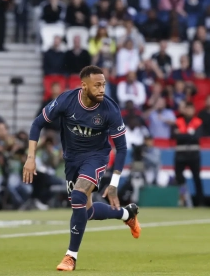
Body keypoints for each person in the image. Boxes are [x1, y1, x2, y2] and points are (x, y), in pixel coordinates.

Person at [23, 66, 141, 271]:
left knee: (78, 196)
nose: (102, 89)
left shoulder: (110, 109)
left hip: (96, 158)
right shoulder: (66, 101)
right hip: (71, 159)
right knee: (85, 211)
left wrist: (114, 183)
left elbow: (121, 148)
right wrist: (30, 157)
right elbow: (37, 124)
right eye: (97, 85)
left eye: (103, 85)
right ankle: (126, 214)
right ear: (83, 86)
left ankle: (71, 257)